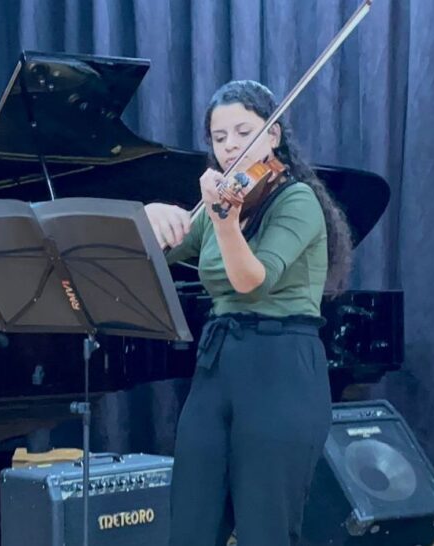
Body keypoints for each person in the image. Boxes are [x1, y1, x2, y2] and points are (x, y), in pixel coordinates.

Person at [144, 79, 353, 546]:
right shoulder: (217, 205)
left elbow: (250, 280)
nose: (231, 145)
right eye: (220, 138)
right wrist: (151, 217)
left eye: (243, 131)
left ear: (273, 135)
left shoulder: (295, 200)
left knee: (266, 530)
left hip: (280, 367)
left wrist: (225, 222)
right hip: (218, 365)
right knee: (192, 524)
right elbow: (150, 254)